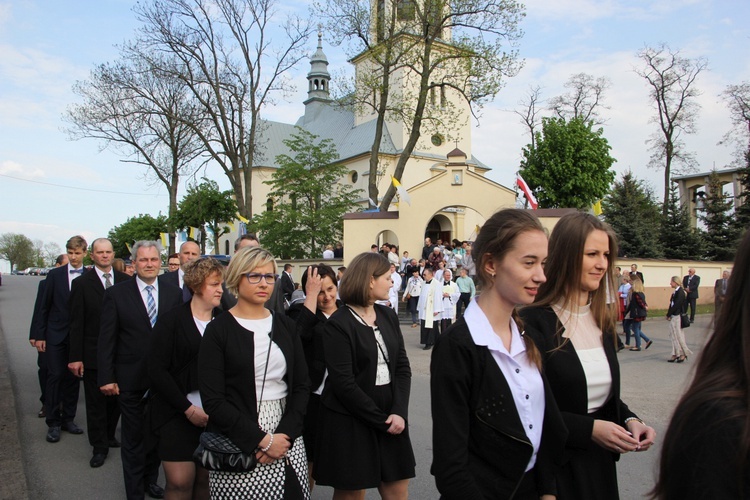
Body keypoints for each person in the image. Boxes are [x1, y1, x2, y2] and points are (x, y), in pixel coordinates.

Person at [431, 208, 566, 499]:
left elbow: (545, 430)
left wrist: (548, 491)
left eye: (543, 263)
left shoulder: (531, 335)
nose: (541, 275)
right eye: (529, 262)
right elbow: (450, 466)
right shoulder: (458, 346)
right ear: (491, 264)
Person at [520, 212, 656, 499]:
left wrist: (631, 421)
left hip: (599, 467)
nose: (602, 264)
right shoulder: (533, 323)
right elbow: (525, 409)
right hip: (554, 472)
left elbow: (599, 395)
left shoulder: (602, 321)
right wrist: (588, 429)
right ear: (566, 256)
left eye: (606, 254)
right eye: (592, 253)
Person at [198, 247, 310, 498]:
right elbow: (213, 400)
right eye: (255, 276)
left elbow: (301, 386)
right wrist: (261, 440)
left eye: (270, 277)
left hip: (286, 433)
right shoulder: (218, 331)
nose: (264, 283)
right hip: (237, 435)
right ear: (237, 277)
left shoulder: (285, 325)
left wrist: (284, 436)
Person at [652, 231, 750, 499]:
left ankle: (681, 354)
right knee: (675, 340)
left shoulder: (683, 290)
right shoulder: (718, 422)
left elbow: (682, 302)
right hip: (675, 319)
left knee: (679, 340)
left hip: (678, 317)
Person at [314, 252, 415, 498]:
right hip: (351, 417)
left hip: (391, 413)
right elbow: (344, 384)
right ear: (370, 280)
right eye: (388, 277)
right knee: (352, 492)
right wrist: (381, 420)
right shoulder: (338, 324)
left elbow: (402, 367)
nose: (392, 282)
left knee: (397, 487)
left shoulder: (388, 315)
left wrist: (399, 412)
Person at [98, 240, 182, 500]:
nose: (149, 264)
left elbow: (178, 337)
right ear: (134, 263)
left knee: (156, 438)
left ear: (161, 262)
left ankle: (149, 481)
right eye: (143, 260)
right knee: (133, 441)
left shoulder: (174, 293)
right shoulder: (116, 294)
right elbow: (107, 339)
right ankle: (134, 493)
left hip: (164, 383)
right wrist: (107, 377)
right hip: (130, 380)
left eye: (153, 259)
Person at [148, 257, 225, 500]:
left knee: (206, 480)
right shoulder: (171, 320)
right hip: (175, 413)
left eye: (221, 284)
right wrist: (187, 409)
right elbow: (156, 370)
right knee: (180, 482)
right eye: (214, 284)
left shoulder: (225, 322)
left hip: (216, 417)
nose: (220, 290)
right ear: (196, 285)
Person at [68, 238, 127, 468]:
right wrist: (75, 357)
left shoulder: (125, 280)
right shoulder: (82, 284)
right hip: (92, 353)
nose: (104, 256)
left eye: (108, 252)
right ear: (92, 256)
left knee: (117, 401)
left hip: (120, 353)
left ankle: (110, 435)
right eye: (100, 252)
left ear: (113, 254)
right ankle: (99, 447)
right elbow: (76, 323)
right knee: (95, 403)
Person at [287, 264, 343, 491]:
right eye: (320, 291)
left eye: (330, 289)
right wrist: (310, 297)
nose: (327, 296)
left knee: (345, 462)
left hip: (344, 396)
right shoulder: (299, 313)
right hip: (314, 397)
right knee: (307, 459)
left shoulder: (348, 313)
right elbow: (296, 340)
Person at [35, 235, 88, 444]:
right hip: (55, 334)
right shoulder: (55, 275)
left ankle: (69, 419)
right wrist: (39, 334)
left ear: (85, 253)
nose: (73, 257)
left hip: (79, 337)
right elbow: (43, 306)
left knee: (73, 378)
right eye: (70, 253)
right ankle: (53, 422)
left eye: (77, 253)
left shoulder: (89, 276)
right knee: (55, 376)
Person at [29, 253, 68, 418]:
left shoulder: (79, 283)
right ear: (58, 266)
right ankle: (47, 402)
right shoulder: (45, 284)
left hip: (68, 336)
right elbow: (40, 309)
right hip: (48, 335)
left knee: (64, 373)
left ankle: (62, 404)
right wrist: (35, 335)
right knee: (45, 369)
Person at [666, 276, 692, 363]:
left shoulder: (680, 292)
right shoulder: (675, 292)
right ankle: (676, 353)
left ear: (675, 282)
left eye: (671, 282)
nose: (670, 283)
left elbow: (677, 305)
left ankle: (683, 353)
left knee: (678, 335)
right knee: (673, 335)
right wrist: (669, 314)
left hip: (677, 316)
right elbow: (672, 304)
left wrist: (669, 314)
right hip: (674, 315)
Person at [417, 268, 443, 350]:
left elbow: (438, 297)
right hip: (424, 308)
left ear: (431, 274)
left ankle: (429, 342)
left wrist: (437, 309)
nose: (423, 276)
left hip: (431, 309)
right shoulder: (424, 283)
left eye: (425, 275)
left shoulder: (437, 284)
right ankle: (436, 341)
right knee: (427, 325)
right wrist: (419, 306)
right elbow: (421, 296)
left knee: (431, 326)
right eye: (423, 275)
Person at [625, 278, 652, 351]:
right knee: (636, 328)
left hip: (637, 313)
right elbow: (643, 303)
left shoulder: (635, 294)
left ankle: (638, 345)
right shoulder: (641, 293)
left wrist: (644, 307)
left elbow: (640, 303)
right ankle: (647, 340)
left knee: (635, 329)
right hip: (640, 313)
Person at [617, 276, 633, 348]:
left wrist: (622, 295)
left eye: (623, 280)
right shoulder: (622, 286)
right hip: (622, 303)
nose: (621, 281)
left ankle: (628, 341)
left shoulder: (629, 287)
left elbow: (628, 295)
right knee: (624, 319)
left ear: (625, 280)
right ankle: (625, 330)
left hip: (627, 303)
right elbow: (618, 292)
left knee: (628, 323)